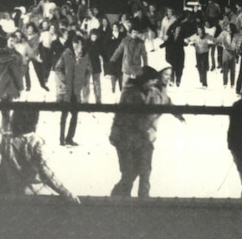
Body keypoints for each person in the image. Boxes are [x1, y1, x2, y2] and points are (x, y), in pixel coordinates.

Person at [0, 107, 78, 201]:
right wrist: (66, 193)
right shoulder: (36, 142)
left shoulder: (5, 140)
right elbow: (46, 173)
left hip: (16, 194)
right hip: (39, 194)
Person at [109, 66, 184, 199]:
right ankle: (118, 202)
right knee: (130, 174)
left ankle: (143, 203)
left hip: (144, 138)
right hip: (127, 139)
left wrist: (178, 114)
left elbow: (166, 102)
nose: (168, 78)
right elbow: (127, 118)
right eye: (165, 74)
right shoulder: (132, 93)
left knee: (144, 172)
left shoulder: (153, 91)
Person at [53, 31, 92, 147]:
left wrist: (84, 81)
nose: (75, 45)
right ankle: (61, 139)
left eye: (78, 43)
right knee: (64, 115)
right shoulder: (66, 54)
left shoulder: (85, 57)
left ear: (82, 44)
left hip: (76, 91)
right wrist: (64, 79)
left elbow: (89, 70)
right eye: (74, 42)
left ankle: (69, 138)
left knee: (75, 115)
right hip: (67, 90)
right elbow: (58, 68)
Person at [188, 22, 214, 88]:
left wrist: (211, 44)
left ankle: (205, 83)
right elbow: (188, 40)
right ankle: (201, 77)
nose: (199, 31)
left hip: (205, 52)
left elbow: (214, 40)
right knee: (199, 66)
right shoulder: (195, 36)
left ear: (203, 30)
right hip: (198, 52)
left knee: (204, 67)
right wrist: (191, 43)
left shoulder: (206, 35)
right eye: (198, 30)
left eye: (200, 30)